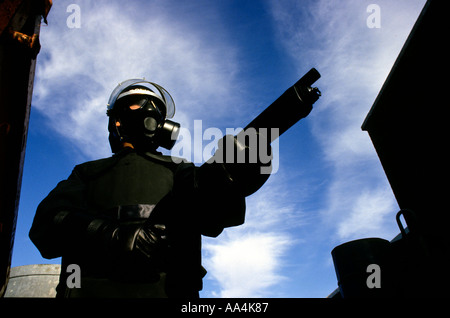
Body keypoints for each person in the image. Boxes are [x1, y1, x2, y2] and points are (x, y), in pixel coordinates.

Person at [29, 79, 271, 297]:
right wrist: (111, 236)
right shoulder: (87, 172)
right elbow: (47, 225)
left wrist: (234, 175)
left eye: (156, 109)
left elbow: (215, 215)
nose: (150, 111)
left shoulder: (181, 170)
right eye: (139, 103)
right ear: (117, 120)